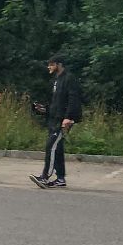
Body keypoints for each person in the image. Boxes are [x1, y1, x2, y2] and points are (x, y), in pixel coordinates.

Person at [30, 54, 82, 189]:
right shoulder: (56, 80)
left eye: (51, 64)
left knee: (51, 146)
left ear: (59, 65)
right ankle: (60, 178)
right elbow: (57, 103)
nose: (49, 67)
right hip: (54, 118)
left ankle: (45, 177)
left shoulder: (69, 79)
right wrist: (45, 110)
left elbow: (73, 99)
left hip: (63, 120)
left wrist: (68, 117)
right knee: (57, 148)